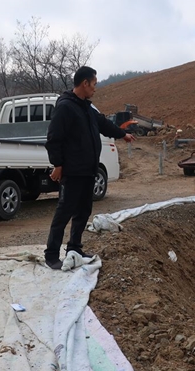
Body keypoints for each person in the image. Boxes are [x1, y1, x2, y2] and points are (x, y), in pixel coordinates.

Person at [44, 66, 135, 269]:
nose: (95, 88)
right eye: (93, 84)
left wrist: (122, 134)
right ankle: (51, 255)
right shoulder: (66, 107)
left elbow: (103, 124)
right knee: (64, 212)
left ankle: (74, 248)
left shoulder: (86, 108)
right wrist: (57, 164)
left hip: (87, 170)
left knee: (83, 211)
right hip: (73, 171)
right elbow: (53, 138)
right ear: (84, 83)